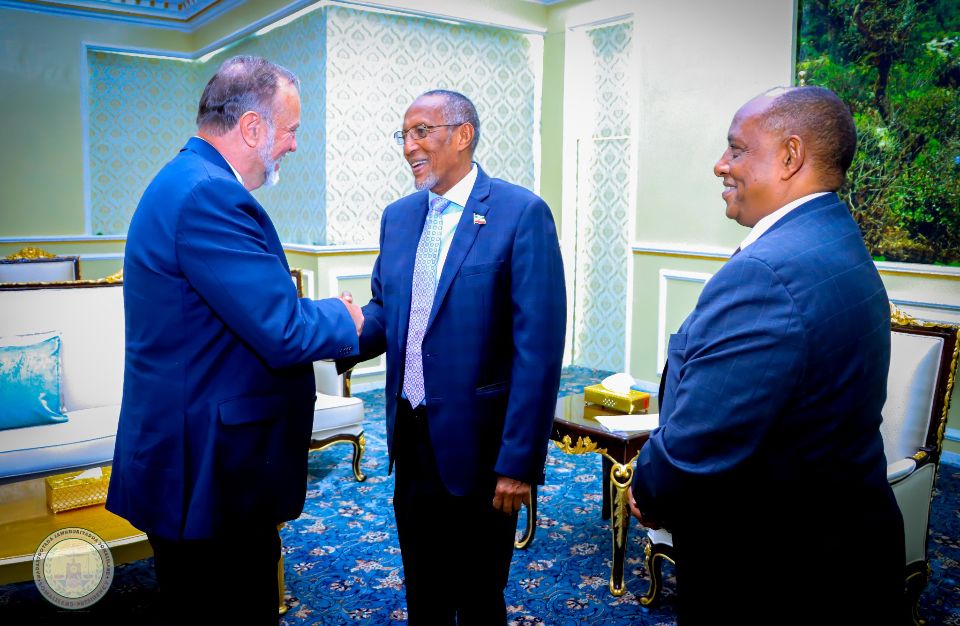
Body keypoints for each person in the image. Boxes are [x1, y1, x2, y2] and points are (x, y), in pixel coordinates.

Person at [628, 86, 904, 625]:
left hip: (776, 572)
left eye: (736, 149)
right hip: (849, 547)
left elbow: (698, 446)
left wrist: (650, 485)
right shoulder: (835, 236)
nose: (720, 165)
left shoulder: (767, 273)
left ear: (790, 156)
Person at [106, 55, 364, 624]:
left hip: (193, 452)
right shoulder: (210, 195)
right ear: (251, 127)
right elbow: (281, 329)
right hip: (209, 467)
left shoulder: (184, 179)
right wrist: (346, 316)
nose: (293, 144)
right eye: (290, 130)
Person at [341, 89, 566, 624]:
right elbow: (388, 312)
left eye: (422, 132)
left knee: (479, 595)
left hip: (482, 448)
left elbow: (538, 351)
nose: (409, 147)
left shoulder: (520, 214)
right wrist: (339, 329)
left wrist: (519, 463)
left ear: (463, 135)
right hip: (411, 437)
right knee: (424, 590)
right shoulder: (398, 217)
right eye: (404, 135)